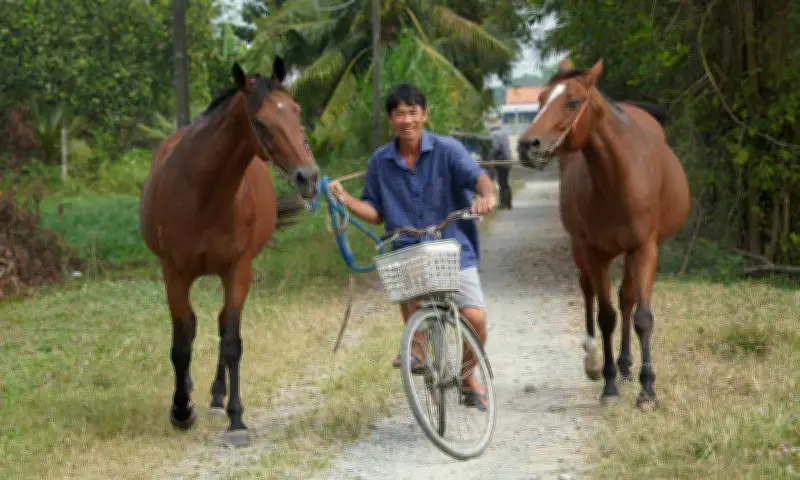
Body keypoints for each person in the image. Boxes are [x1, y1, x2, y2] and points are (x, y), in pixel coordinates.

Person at [328, 83, 496, 411]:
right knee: (410, 293)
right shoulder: (380, 162)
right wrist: (344, 199)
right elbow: (376, 213)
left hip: (452, 248)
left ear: (424, 114)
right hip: (406, 251)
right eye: (399, 113)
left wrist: (487, 195)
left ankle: (466, 375)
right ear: (391, 119)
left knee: (474, 318)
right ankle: (416, 344)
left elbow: (478, 176)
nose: (407, 119)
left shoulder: (448, 150)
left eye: (413, 112)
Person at [486, 112, 513, 209]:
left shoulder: (494, 135)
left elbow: (495, 148)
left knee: (502, 183)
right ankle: (508, 203)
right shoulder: (504, 133)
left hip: (501, 161)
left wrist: (489, 157)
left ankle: (504, 204)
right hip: (507, 160)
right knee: (505, 182)